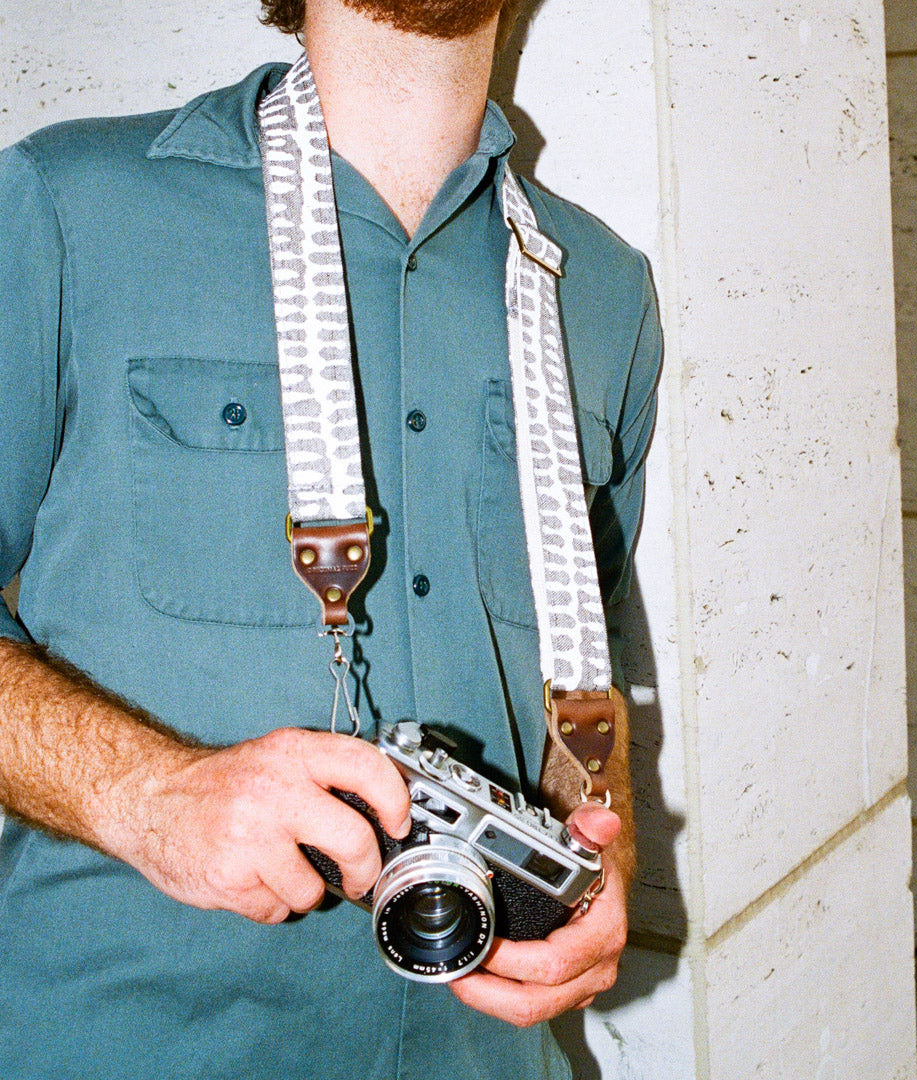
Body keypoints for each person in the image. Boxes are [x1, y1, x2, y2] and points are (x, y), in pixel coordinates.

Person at [0, 1, 661, 1077]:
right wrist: (144, 795)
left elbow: (589, 664)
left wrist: (604, 847)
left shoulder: (603, 293)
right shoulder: (66, 208)